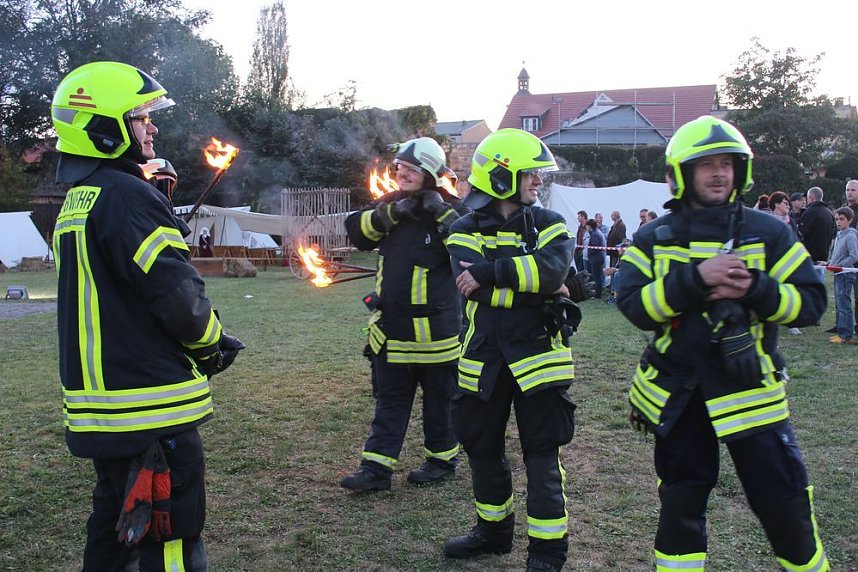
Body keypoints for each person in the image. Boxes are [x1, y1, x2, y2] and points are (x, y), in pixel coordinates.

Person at [51, 61, 244, 570]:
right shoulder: (128, 198)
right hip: (150, 410)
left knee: (113, 534)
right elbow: (179, 298)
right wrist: (213, 344)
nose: (152, 127)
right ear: (104, 126)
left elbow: (115, 288)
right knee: (171, 540)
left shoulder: (78, 201)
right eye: (140, 117)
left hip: (103, 407)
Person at [616, 116, 829, 571]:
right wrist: (694, 280)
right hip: (679, 394)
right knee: (680, 508)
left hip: (751, 393)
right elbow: (632, 304)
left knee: (785, 503)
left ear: (740, 171)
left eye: (727, 164)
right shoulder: (654, 237)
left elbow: (811, 303)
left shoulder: (768, 232)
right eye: (706, 164)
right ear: (682, 173)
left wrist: (754, 288)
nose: (719, 173)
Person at [442, 128, 576, 572]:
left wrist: (491, 272)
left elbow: (554, 271)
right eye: (530, 173)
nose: (538, 181)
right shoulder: (462, 229)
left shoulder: (551, 223)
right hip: (483, 360)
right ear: (501, 177)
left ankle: (547, 551)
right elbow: (474, 290)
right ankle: (493, 532)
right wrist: (537, 285)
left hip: (540, 362)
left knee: (542, 454)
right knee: (481, 448)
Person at [341, 137, 467, 491]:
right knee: (390, 403)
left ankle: (441, 461)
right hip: (392, 331)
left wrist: (439, 211)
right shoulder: (391, 203)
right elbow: (357, 231)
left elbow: (470, 243)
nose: (402, 174)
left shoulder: (452, 208)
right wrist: (391, 213)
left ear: (430, 173)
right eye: (399, 167)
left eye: (411, 169)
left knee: (440, 404)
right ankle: (376, 470)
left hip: (437, 335)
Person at [828, 207, 858, 344]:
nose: (838, 222)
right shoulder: (840, 234)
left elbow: (854, 256)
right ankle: (841, 333)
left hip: (845, 273)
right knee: (839, 304)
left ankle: (846, 335)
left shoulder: (851, 236)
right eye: (836, 219)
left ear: (849, 220)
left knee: (844, 304)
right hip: (838, 273)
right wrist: (830, 263)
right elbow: (837, 254)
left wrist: (840, 265)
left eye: (841, 219)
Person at [798, 186, 835, 283]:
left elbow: (801, 233)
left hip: (810, 256)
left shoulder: (810, 212)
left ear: (810, 198)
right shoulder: (829, 213)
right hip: (823, 256)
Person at [586, 218, 606, 299]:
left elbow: (595, 247)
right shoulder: (596, 233)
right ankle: (597, 293)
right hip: (597, 258)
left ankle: (597, 295)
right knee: (597, 276)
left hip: (596, 258)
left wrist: (590, 251)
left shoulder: (594, 234)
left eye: (587, 226)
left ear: (590, 226)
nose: (586, 227)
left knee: (596, 277)